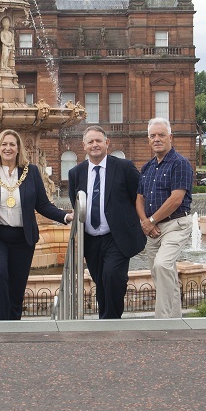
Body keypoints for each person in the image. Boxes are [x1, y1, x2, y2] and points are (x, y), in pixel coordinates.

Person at [0, 129, 72, 320]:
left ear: (18, 149)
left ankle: (14, 324)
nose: (8, 148)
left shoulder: (31, 172)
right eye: (4, 144)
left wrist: (65, 217)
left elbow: (42, 204)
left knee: (17, 286)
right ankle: (2, 322)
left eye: (12, 144)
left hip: (22, 239)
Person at [67, 125, 143, 319]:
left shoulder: (124, 167)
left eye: (98, 141)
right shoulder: (76, 173)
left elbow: (139, 197)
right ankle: (106, 319)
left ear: (107, 143)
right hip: (91, 240)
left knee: (113, 277)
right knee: (100, 281)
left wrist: (143, 222)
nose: (95, 145)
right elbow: (76, 203)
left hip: (116, 237)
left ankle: (111, 321)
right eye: (90, 142)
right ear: (84, 146)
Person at [136, 118, 195, 319]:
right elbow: (139, 199)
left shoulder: (180, 163)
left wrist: (150, 221)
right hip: (153, 228)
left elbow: (176, 199)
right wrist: (146, 222)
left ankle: (163, 320)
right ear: (148, 140)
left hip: (176, 224)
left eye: (161, 135)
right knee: (159, 273)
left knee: (162, 265)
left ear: (170, 137)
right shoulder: (147, 167)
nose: (157, 139)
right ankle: (175, 318)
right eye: (153, 136)